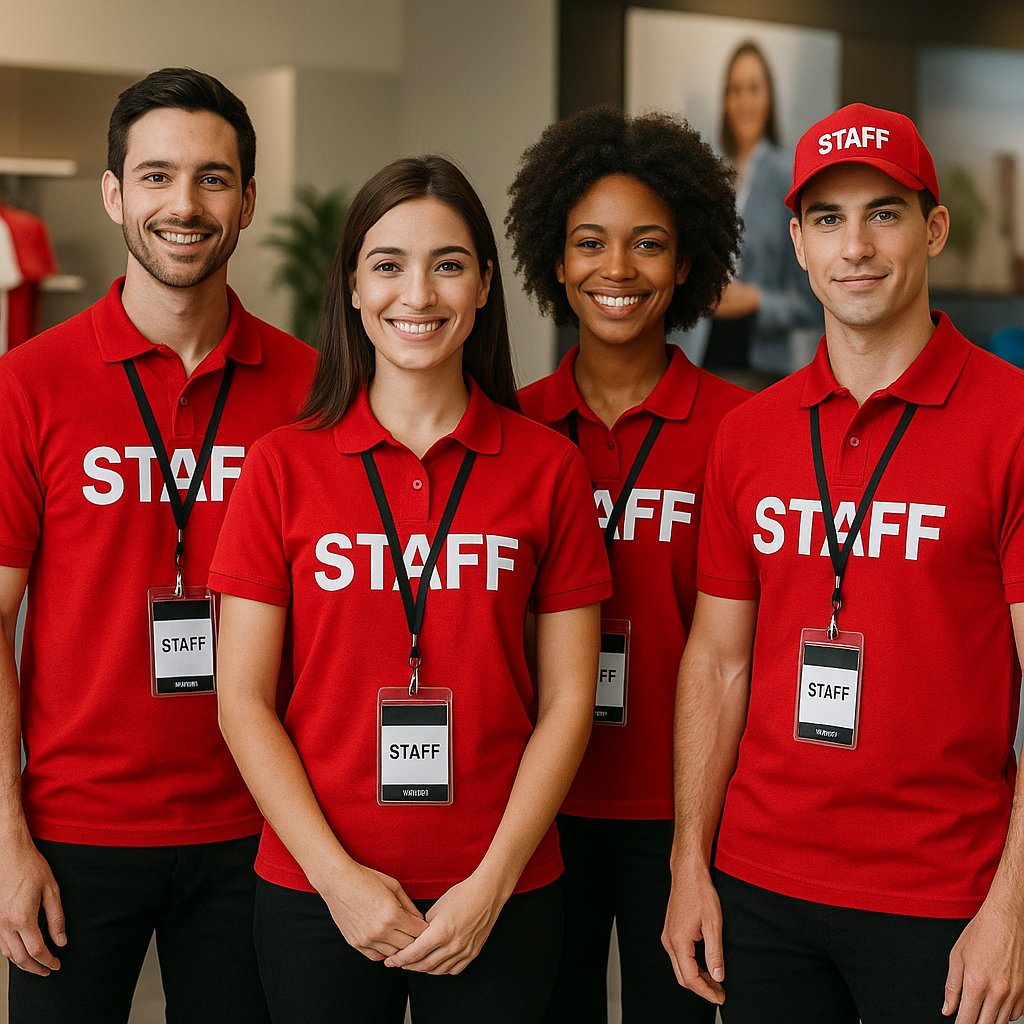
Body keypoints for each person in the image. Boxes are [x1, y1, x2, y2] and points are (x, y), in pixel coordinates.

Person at [209, 155, 611, 1024]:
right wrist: (338, 882)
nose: (417, 294)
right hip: (317, 893)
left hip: (501, 892)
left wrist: (491, 885)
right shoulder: (280, 466)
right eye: (388, 264)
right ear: (354, 287)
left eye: (448, 264)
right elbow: (241, 700)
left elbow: (569, 702)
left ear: (484, 286)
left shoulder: (549, 468)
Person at [662, 102, 1024, 1024]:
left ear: (934, 229)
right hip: (760, 886)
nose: (854, 246)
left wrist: (1013, 908)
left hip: (944, 894)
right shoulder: (749, 435)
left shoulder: (1012, 422)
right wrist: (689, 861)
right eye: (827, 219)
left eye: (883, 214)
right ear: (797, 242)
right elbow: (717, 661)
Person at [0, 68, 317, 1024]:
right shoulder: (28, 384)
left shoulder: (311, 390)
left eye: (213, 178)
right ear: (114, 193)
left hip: (259, 827)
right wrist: (6, 838)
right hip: (74, 827)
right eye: (156, 176)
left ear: (248, 200)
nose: (184, 204)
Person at [507, 105, 748, 1023]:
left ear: (686, 264)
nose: (618, 269)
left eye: (649, 244)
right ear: (555, 262)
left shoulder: (741, 432)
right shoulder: (511, 427)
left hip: (687, 814)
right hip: (537, 805)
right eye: (590, 244)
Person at [703, 40, 819, 380]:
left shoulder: (787, 178)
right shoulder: (711, 179)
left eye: (754, 89)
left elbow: (812, 303)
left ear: (769, 97)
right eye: (735, 90)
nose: (745, 101)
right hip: (705, 357)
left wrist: (755, 300)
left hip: (762, 367)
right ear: (725, 100)